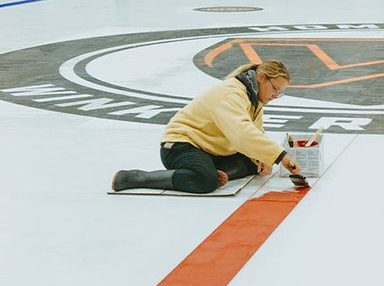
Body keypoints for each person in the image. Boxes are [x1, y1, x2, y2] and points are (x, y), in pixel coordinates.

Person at [112, 59, 302, 193]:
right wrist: (280, 156)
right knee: (204, 181)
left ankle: (216, 173)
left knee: (254, 161)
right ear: (261, 77)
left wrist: (262, 158)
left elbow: (256, 131)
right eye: (276, 89)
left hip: (209, 150)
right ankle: (136, 178)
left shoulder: (254, 97)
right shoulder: (232, 93)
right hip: (180, 146)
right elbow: (242, 133)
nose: (276, 95)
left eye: (281, 92)